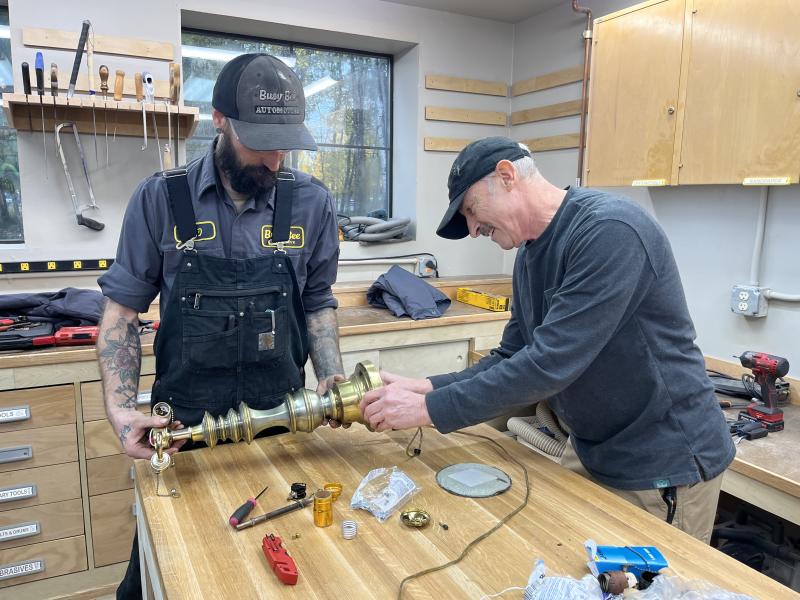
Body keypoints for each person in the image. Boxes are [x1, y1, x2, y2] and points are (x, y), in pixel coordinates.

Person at [360, 136, 735, 543]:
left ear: (506, 176)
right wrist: (425, 386)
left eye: (471, 211)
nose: (472, 230)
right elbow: (512, 355)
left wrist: (427, 409)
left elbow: (548, 365)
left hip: (660, 461)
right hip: (595, 449)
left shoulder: (609, 231)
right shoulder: (529, 254)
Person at [96, 53, 344, 599]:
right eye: (261, 141)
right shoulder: (162, 198)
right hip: (179, 431)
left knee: (279, 569)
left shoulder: (311, 204)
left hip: (280, 422)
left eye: (285, 144)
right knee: (166, 573)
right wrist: (119, 410)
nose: (275, 159)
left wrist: (330, 381)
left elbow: (319, 301)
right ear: (220, 120)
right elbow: (121, 313)